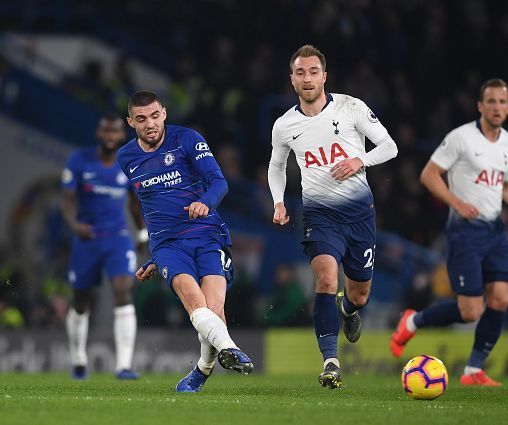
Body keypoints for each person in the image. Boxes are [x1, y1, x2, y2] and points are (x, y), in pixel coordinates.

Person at [267, 45, 398, 389]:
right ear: (292, 79)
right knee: (326, 280)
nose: (307, 78)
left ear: (324, 76)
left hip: (359, 217)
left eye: (313, 72)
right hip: (319, 215)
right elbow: (276, 166)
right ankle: (330, 362)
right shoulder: (284, 126)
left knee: (359, 295)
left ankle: (349, 311)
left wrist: (360, 161)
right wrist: (278, 202)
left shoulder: (352, 107)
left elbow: (389, 146)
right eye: (300, 73)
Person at [390, 79, 508, 386]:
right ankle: (413, 320)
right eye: (491, 102)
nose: (496, 107)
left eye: (502, 102)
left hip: (495, 231)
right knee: (471, 310)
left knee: (500, 299)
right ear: (480, 106)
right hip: (463, 232)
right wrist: (457, 202)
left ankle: (473, 370)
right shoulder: (461, 138)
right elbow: (429, 175)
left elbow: (505, 185)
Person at [117, 90, 253, 393]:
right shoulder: (126, 158)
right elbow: (149, 205)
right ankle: (231, 349)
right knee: (194, 302)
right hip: (167, 245)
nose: (150, 124)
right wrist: (154, 255)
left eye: (154, 116)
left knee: (213, 310)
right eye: (141, 119)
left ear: (164, 113)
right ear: (131, 122)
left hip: (207, 234)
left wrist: (206, 202)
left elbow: (219, 182)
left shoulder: (187, 139)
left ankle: (202, 370)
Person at [61, 113, 147, 380]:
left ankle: (123, 365)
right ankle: (78, 358)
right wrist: (74, 224)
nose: (110, 137)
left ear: (122, 136)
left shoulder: (126, 163)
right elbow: (66, 199)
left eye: (115, 132)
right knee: (80, 301)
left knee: (123, 291)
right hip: (86, 239)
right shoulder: (79, 159)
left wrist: (143, 234)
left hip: (117, 238)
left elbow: (134, 203)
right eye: (106, 132)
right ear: (99, 134)